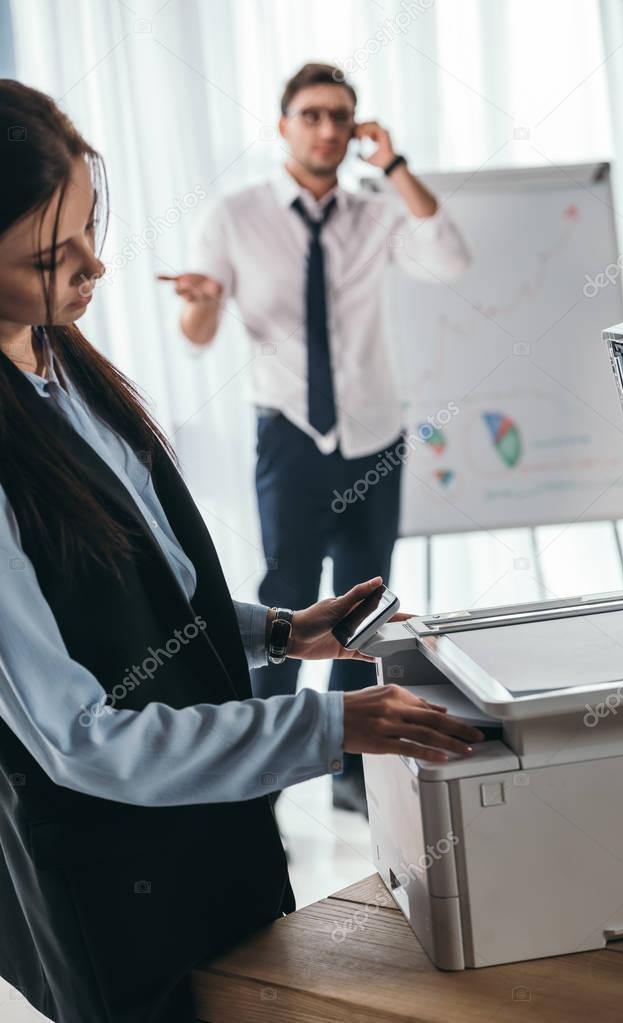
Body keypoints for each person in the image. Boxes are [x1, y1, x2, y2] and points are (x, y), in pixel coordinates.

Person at [0, 79, 483, 1023]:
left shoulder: (62, 364)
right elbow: (77, 740)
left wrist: (274, 631)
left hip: (212, 839)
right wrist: (325, 729)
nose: (96, 266)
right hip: (115, 886)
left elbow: (138, 599)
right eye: (52, 255)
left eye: (93, 226)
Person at [164, 62, 470, 816]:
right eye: (311, 115)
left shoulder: (376, 210)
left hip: (373, 433)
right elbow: (196, 333)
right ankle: (261, 769)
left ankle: (350, 770)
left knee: (366, 600)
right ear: (283, 125)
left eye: (340, 116)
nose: (327, 129)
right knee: (284, 602)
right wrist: (204, 304)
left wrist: (393, 165)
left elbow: (450, 256)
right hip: (290, 437)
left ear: (354, 127)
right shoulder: (235, 215)